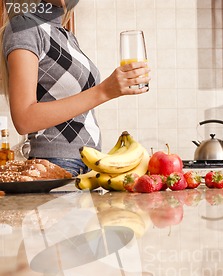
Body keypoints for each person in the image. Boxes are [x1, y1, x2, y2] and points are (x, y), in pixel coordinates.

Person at [0, 0, 150, 175]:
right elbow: (24, 119)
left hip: (90, 164)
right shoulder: (24, 27)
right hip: (56, 165)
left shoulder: (66, 36)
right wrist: (104, 91)